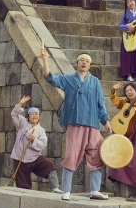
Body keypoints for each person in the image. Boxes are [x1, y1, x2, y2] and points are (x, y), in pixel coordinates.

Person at [40, 47, 112, 200]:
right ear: (76, 63)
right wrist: (45, 60)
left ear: (89, 65)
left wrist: (106, 121)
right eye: (82, 60)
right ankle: (66, 190)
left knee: (95, 156)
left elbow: (100, 104)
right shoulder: (68, 80)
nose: (84, 63)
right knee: (71, 155)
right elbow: (50, 78)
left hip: (93, 124)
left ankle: (95, 190)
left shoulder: (95, 82)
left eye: (87, 61)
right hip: (75, 123)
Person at [10, 95, 60, 191]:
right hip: (20, 157)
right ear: (28, 116)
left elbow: (43, 144)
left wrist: (34, 139)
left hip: (35, 158)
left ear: (39, 117)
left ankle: (55, 188)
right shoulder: (22, 123)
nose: (34, 115)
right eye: (32, 114)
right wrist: (20, 104)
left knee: (50, 167)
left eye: (36, 114)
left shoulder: (41, 130)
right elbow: (14, 114)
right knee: (23, 185)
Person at [106, 82, 136, 192]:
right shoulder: (125, 103)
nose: (129, 92)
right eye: (126, 91)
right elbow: (115, 101)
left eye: (131, 90)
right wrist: (113, 89)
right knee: (121, 152)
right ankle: (119, 176)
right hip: (127, 131)